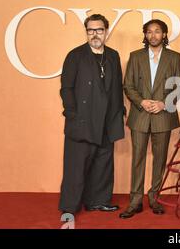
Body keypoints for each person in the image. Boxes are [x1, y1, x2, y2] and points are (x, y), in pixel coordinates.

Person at [59, 14, 125, 219]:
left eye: (99, 30)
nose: (95, 34)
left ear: (106, 32)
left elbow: (116, 87)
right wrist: (72, 114)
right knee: (76, 166)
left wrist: (119, 112)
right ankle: (70, 206)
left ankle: (99, 201)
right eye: (91, 30)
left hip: (108, 120)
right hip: (82, 120)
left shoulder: (113, 55)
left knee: (103, 163)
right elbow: (66, 88)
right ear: (86, 32)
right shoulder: (75, 55)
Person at [120, 19, 180, 218]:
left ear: (164, 35)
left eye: (157, 31)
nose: (153, 35)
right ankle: (135, 201)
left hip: (163, 115)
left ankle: (155, 198)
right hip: (140, 115)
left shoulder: (174, 57)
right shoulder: (135, 56)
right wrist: (142, 102)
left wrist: (163, 103)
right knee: (137, 159)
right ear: (145, 35)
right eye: (149, 32)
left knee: (160, 159)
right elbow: (128, 85)